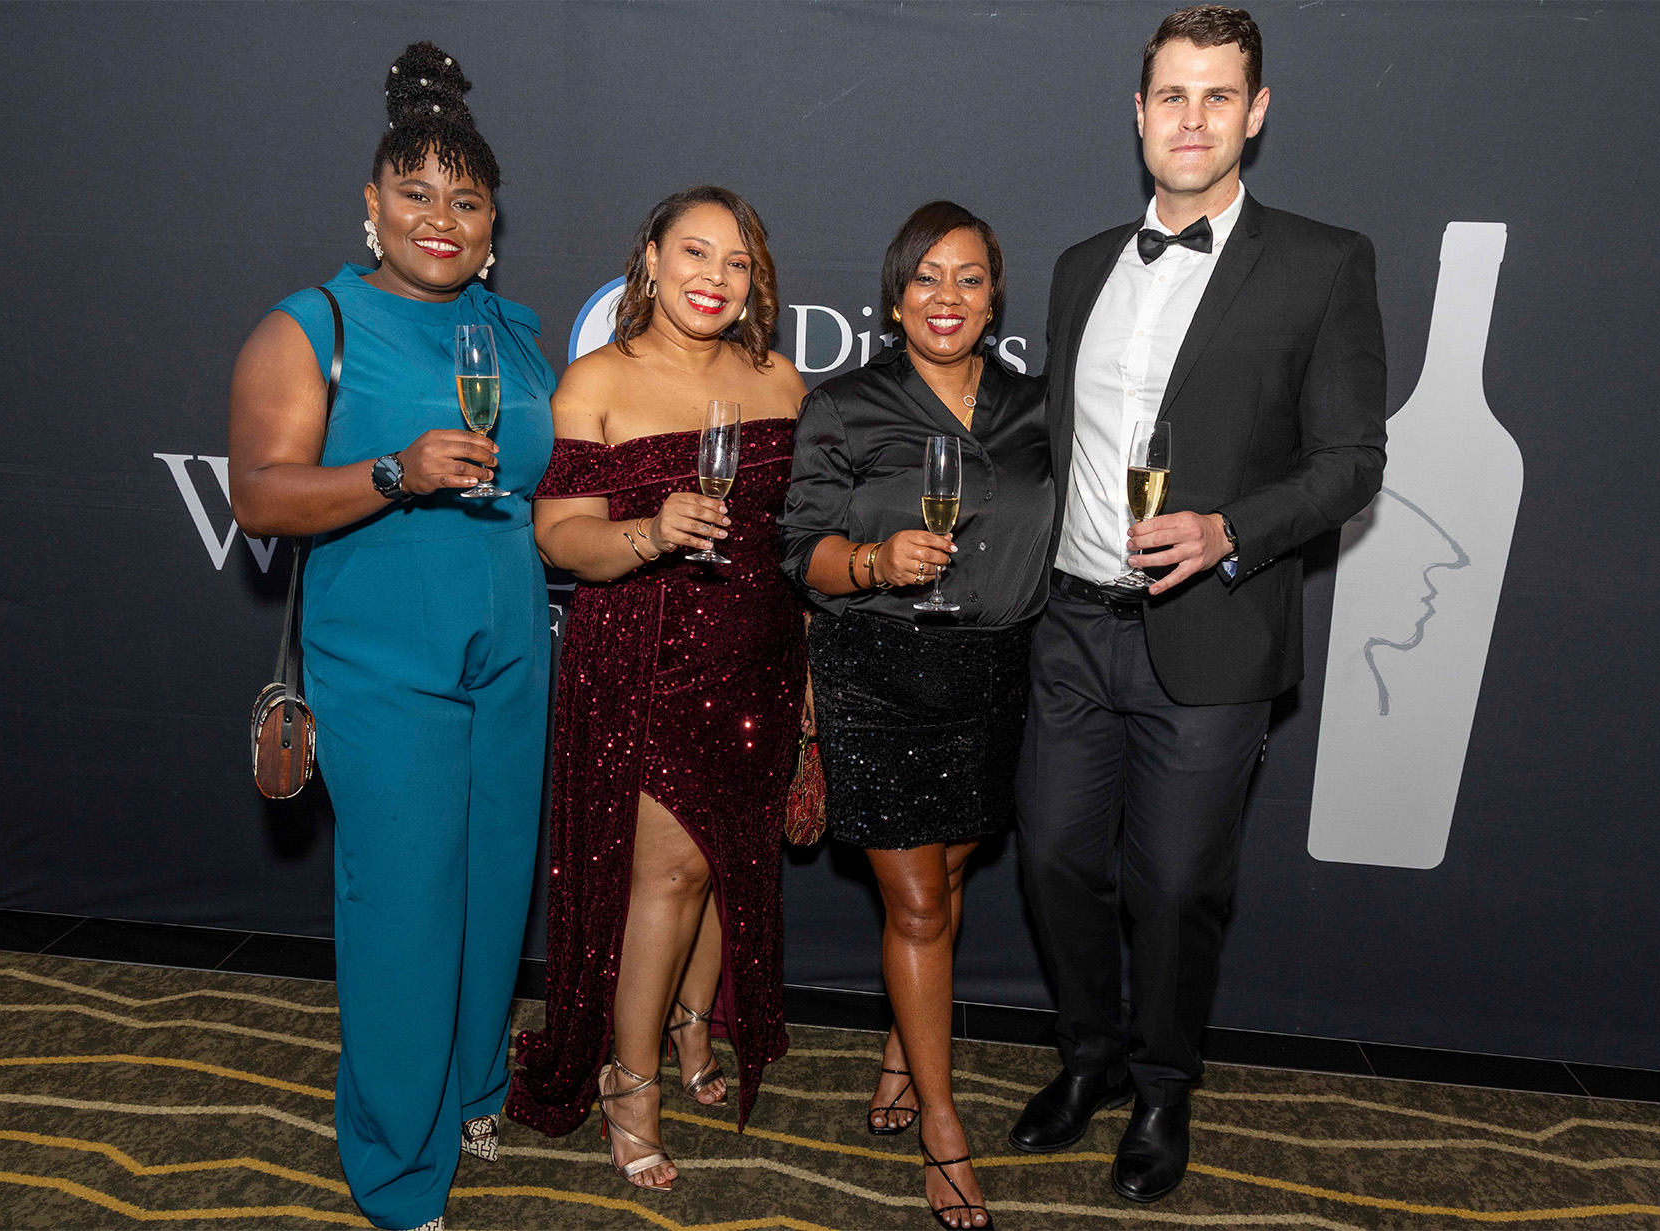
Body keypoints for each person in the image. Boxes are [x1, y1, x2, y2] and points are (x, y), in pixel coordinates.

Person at [1011, 4, 1387, 1204]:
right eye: (1170, 95)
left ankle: (1163, 1086)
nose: (1191, 118)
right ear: (1138, 113)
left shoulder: (1324, 262)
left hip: (1213, 633)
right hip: (1073, 627)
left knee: (1176, 890)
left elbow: (1351, 461)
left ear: (1255, 113)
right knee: (1053, 860)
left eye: (1217, 95)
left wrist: (1231, 529)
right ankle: (1088, 1054)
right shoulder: (1080, 267)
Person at [227, 42, 555, 1231]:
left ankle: (470, 1088)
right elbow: (259, 495)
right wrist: (392, 471)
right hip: (384, 664)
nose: (440, 218)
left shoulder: (512, 330)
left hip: (512, 654)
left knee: (492, 888)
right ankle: (398, 1169)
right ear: (370, 203)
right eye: (415, 192)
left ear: (492, 222)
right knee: (405, 909)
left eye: (465, 200)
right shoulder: (311, 324)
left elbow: (541, 488)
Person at [504, 186, 808, 1192]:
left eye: (736, 260)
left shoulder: (782, 380)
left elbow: (797, 541)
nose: (714, 277)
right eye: (694, 252)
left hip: (761, 654)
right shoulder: (598, 378)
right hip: (646, 661)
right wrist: (650, 531)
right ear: (650, 258)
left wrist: (808, 667)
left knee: (728, 859)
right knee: (669, 875)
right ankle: (626, 1084)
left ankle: (690, 1025)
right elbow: (561, 536)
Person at [780, 201, 1050, 1231]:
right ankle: (943, 1123)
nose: (947, 297)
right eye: (926, 278)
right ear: (894, 299)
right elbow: (800, 552)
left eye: (969, 278)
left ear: (994, 297)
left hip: (996, 673)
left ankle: (904, 1042)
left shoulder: (1038, 407)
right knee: (921, 904)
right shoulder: (844, 407)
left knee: (951, 868)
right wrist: (872, 560)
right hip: (879, 670)